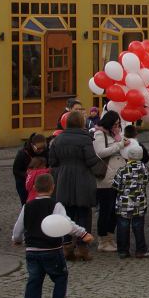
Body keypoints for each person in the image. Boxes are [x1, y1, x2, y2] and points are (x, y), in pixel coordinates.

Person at [12, 173, 93, 298]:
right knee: (60, 278)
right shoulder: (56, 205)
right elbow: (67, 224)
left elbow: (18, 228)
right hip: (51, 249)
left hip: (32, 251)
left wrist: (16, 239)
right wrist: (83, 234)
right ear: (53, 188)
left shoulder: (27, 206)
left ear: (34, 188)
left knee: (34, 282)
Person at [47, 110, 103, 261]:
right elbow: (91, 160)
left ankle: (66, 246)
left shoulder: (58, 140)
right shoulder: (85, 139)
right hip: (83, 178)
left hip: (63, 178)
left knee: (66, 214)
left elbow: (52, 161)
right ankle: (82, 247)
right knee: (83, 213)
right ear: (80, 123)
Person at [91, 111, 129, 253]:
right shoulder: (99, 134)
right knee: (106, 210)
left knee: (115, 210)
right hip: (106, 178)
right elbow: (100, 152)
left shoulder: (116, 134)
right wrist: (120, 145)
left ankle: (110, 237)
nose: (117, 127)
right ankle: (103, 239)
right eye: (115, 124)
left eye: (118, 124)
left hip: (118, 176)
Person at [110, 142, 149, 259]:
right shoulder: (145, 169)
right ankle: (140, 249)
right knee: (138, 226)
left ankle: (123, 250)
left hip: (124, 203)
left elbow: (115, 185)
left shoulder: (123, 170)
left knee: (123, 226)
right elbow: (146, 181)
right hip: (139, 202)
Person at [14, 134, 48, 206]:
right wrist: (31, 175)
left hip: (42, 184)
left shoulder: (46, 152)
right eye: (38, 148)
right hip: (24, 184)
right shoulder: (22, 154)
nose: (41, 150)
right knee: (27, 205)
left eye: (43, 147)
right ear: (32, 145)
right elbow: (16, 171)